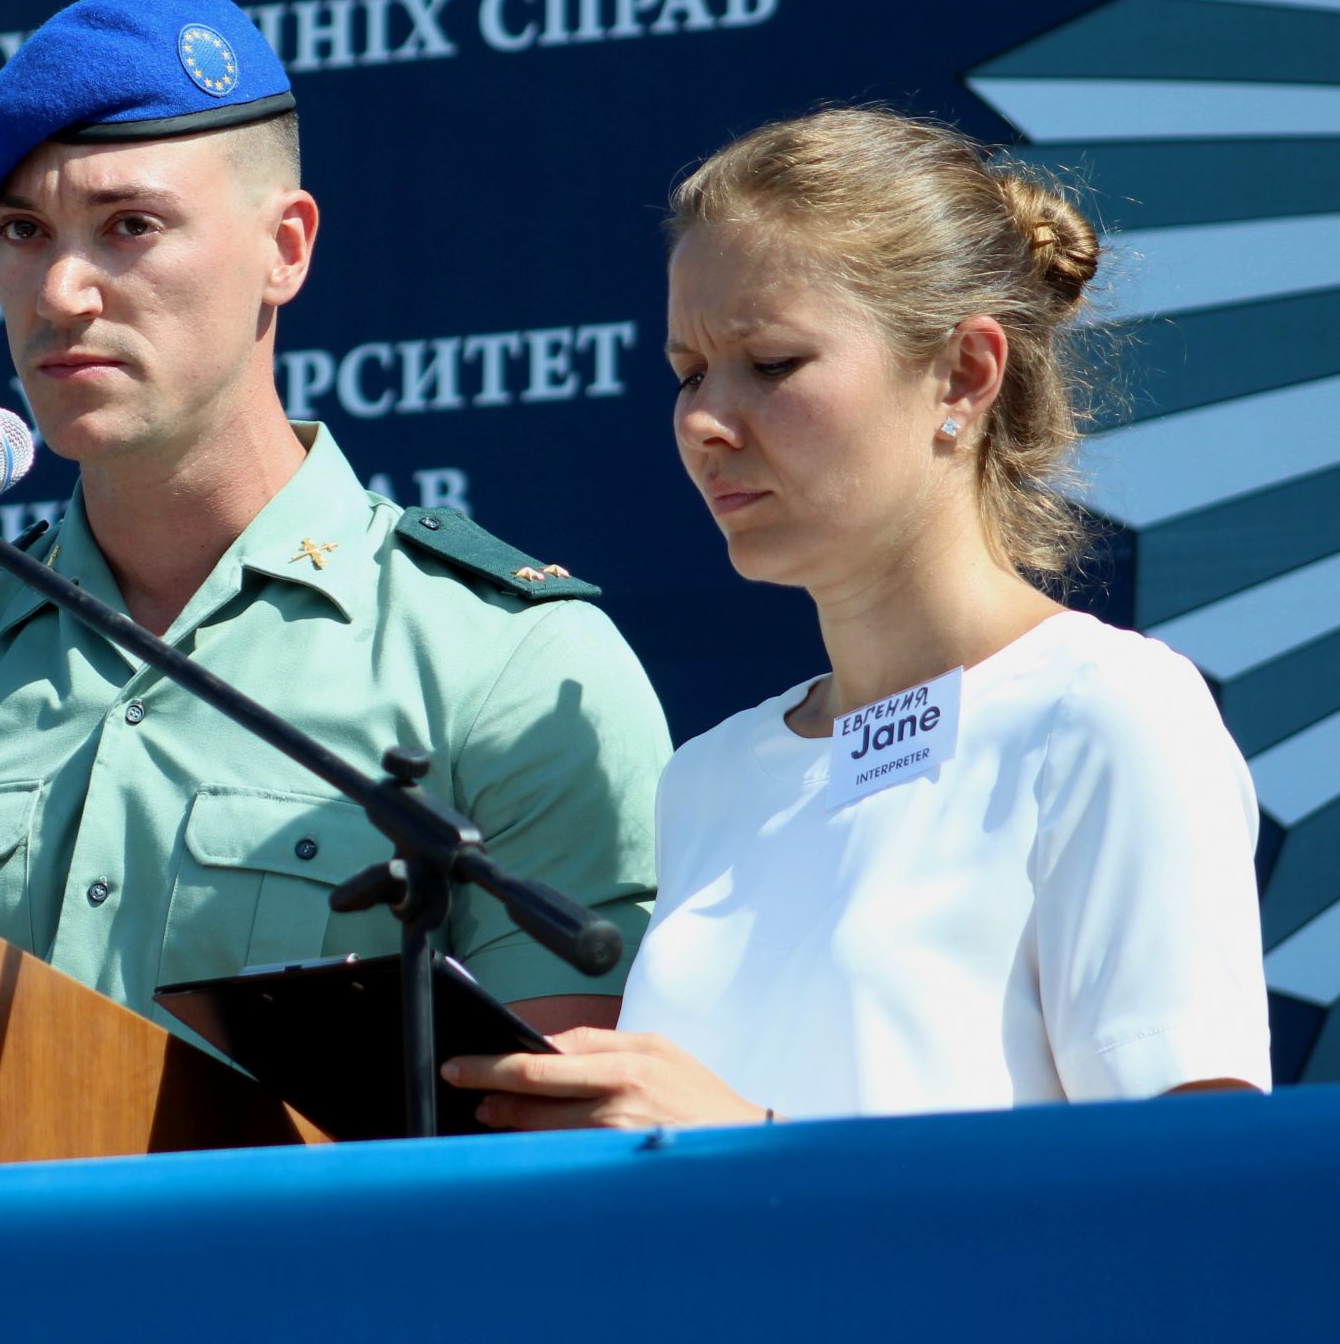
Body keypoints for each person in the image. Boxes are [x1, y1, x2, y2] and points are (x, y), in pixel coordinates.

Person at [0, 0, 669, 1033]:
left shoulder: (511, 668)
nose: (61, 292)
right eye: (23, 230)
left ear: (283, 248)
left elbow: (561, 1150)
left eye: (130, 225)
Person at [448, 107, 1272, 1127]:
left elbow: (1188, 1206)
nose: (705, 420)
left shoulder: (1108, 713)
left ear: (964, 374)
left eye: (773, 363)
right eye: (686, 373)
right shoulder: (708, 779)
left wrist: (737, 1150)